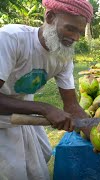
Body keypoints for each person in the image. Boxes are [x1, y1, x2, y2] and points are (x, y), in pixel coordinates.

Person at [0, 0, 93, 179]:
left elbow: (72, 106)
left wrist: (95, 130)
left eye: (80, 33)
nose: (75, 38)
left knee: (41, 159)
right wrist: (45, 108)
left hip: (21, 114)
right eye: (70, 29)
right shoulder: (11, 39)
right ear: (49, 17)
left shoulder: (63, 56)